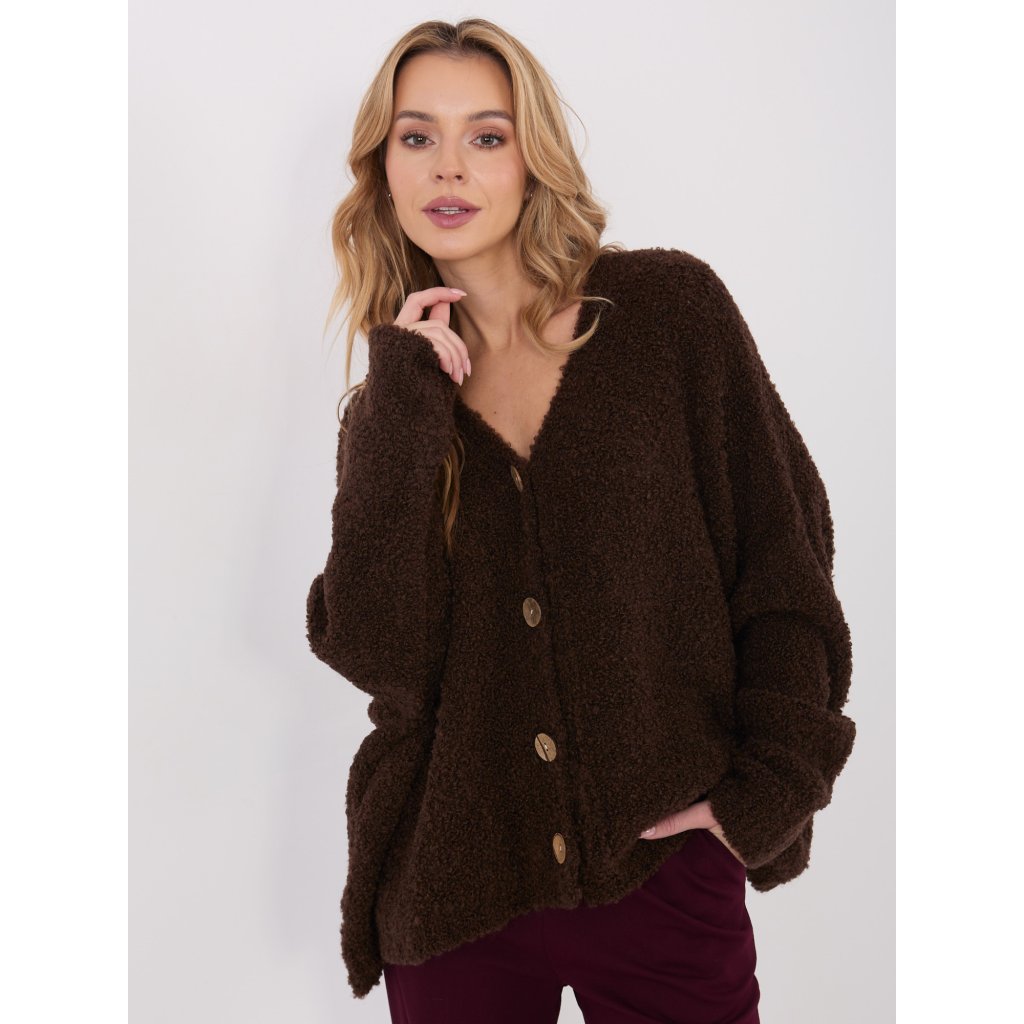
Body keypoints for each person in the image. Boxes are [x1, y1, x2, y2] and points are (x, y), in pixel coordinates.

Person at [306, 17, 856, 1024]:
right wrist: (402, 407)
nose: (449, 167)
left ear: (533, 158)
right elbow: (374, 651)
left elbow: (784, 570)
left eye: (486, 135)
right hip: (454, 891)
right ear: (383, 167)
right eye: (417, 136)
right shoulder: (390, 410)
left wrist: (764, 795)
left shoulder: (668, 313)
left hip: (663, 872)